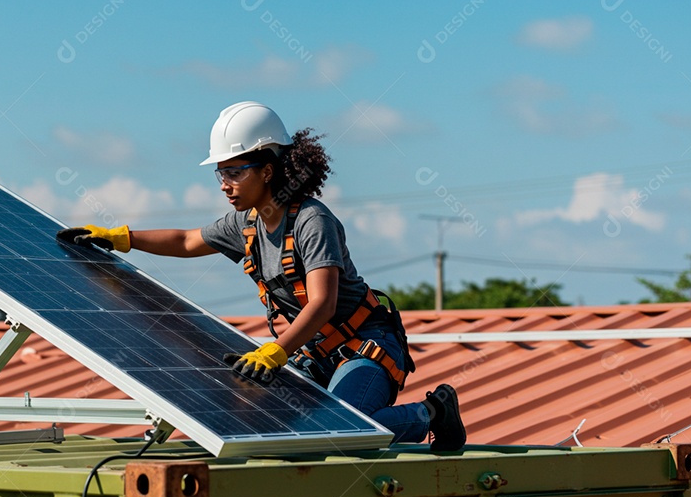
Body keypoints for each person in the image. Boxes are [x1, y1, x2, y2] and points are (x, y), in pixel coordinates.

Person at [58, 101, 466, 451]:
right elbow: (185, 241)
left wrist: (275, 352)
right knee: (278, 428)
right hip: (313, 352)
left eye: (235, 173)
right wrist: (121, 238)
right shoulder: (245, 224)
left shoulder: (312, 221)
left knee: (343, 434)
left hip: (365, 345)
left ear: (267, 170)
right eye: (221, 174)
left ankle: (433, 412)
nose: (225, 185)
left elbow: (323, 303)